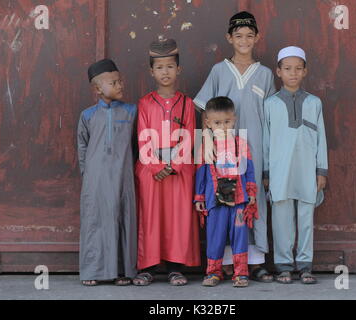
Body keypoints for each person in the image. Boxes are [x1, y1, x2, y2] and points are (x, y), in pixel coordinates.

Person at [194, 11, 276, 282]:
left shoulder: (264, 75)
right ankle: (226, 261)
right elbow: (205, 109)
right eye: (238, 36)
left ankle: (255, 260)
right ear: (229, 38)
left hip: (255, 148)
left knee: (253, 202)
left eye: (249, 36)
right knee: (224, 203)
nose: (243, 41)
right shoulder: (219, 70)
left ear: (257, 38)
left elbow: (272, 115)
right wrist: (206, 140)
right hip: (224, 151)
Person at [133, 39, 201, 286]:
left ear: (178, 69)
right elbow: (143, 138)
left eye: (170, 67)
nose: (165, 72)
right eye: (159, 67)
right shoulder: (144, 103)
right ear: (151, 71)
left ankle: (175, 267)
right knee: (151, 217)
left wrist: (174, 165)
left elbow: (190, 136)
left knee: (177, 218)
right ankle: (148, 267)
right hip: (152, 171)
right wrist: (157, 167)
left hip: (179, 171)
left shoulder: (187, 103)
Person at [263, 46, 328, 285]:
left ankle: (305, 265)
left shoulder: (314, 103)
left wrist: (321, 170)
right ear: (278, 71)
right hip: (280, 172)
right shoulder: (270, 104)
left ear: (305, 71)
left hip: (307, 171)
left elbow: (321, 138)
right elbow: (266, 141)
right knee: (281, 219)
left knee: (305, 218)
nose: (293, 73)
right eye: (287, 69)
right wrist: (266, 172)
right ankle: (283, 266)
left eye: (298, 69)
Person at [77, 59, 137, 286]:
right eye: (114, 82)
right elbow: (82, 147)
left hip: (123, 176)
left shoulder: (131, 111)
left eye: (120, 80)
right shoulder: (88, 116)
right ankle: (92, 271)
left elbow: (137, 145)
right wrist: (88, 176)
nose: (120, 85)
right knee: (95, 221)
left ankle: (123, 272)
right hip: (96, 179)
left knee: (123, 219)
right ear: (98, 89)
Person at [195, 97, 258, 288]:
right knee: (215, 235)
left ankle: (241, 273)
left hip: (238, 199)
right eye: (217, 123)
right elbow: (201, 173)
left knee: (240, 235)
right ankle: (213, 272)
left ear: (234, 120)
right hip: (215, 199)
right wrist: (199, 196)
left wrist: (251, 191)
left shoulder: (241, 144)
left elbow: (250, 170)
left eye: (227, 122)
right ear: (208, 123)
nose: (222, 127)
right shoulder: (205, 146)